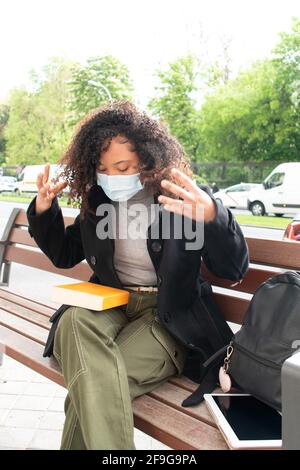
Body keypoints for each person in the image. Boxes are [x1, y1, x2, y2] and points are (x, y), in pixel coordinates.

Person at [26, 101, 249, 450]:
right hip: (110, 304)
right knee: (72, 324)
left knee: (91, 386)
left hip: (167, 315)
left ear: (147, 158)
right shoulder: (97, 200)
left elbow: (233, 268)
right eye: (102, 168)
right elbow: (66, 254)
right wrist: (43, 209)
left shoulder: (182, 196)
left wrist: (211, 216)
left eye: (123, 166)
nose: (111, 178)